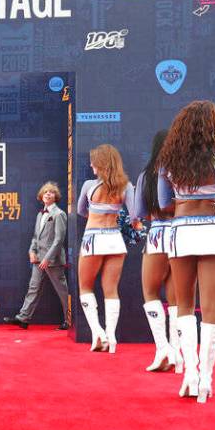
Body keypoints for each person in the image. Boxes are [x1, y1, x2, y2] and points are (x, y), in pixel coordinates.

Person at [158, 101, 215, 401]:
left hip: (180, 232)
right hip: (213, 230)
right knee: (212, 306)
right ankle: (206, 378)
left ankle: (190, 372)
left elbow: (164, 202)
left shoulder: (169, 161)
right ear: (212, 127)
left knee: (184, 304)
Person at [76, 144, 135, 353]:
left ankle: (97, 333)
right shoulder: (126, 186)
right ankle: (111, 336)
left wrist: (96, 213)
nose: (91, 164)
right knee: (111, 289)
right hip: (114, 240)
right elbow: (135, 215)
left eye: (93, 161)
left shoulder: (88, 185)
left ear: (101, 164)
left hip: (93, 238)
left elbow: (80, 210)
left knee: (85, 287)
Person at [131, 130, 181, 372]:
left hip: (159, 234)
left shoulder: (146, 176)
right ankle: (177, 353)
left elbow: (137, 214)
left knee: (150, 292)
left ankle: (163, 349)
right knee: (177, 299)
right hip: (183, 235)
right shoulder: (184, 173)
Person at [4, 181, 69, 330]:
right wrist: (31, 251)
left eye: (51, 192)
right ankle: (23, 318)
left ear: (56, 196)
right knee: (33, 287)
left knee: (62, 291)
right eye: (45, 191)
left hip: (53, 261)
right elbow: (35, 236)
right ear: (41, 195)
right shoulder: (40, 214)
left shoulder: (59, 214)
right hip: (38, 258)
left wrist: (47, 258)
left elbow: (59, 239)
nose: (47, 193)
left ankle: (69, 320)